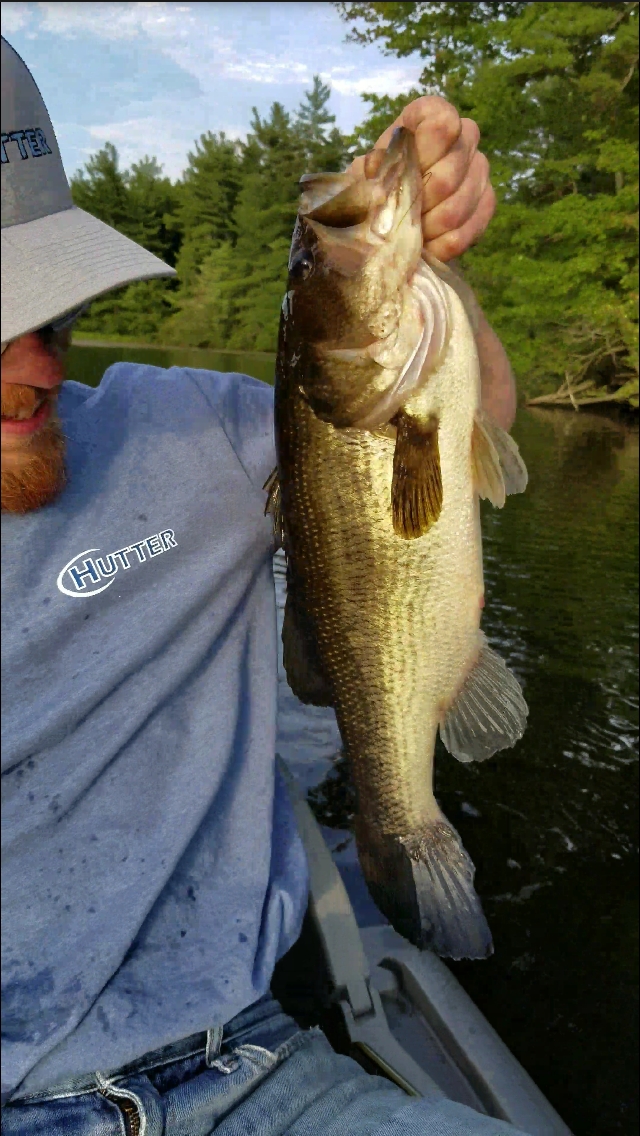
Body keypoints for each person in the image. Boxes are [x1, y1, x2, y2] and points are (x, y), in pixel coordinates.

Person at [1, 35, 525, 1136]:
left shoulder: (188, 427)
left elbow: (459, 424)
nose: (42, 365)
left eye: (50, 310)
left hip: (260, 1069)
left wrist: (429, 244)